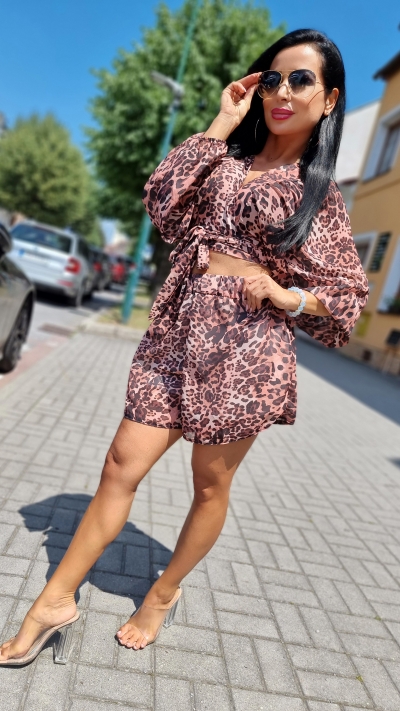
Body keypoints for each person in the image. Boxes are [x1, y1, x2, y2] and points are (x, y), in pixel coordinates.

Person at [0, 28, 368, 664]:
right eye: (273, 78)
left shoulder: (320, 195)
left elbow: (348, 297)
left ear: (330, 98)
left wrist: (289, 296)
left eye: (301, 80)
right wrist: (222, 122)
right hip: (179, 328)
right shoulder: (224, 160)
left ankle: (163, 592)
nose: (282, 92)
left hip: (245, 351)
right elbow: (161, 201)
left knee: (207, 487)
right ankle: (54, 601)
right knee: (120, 464)